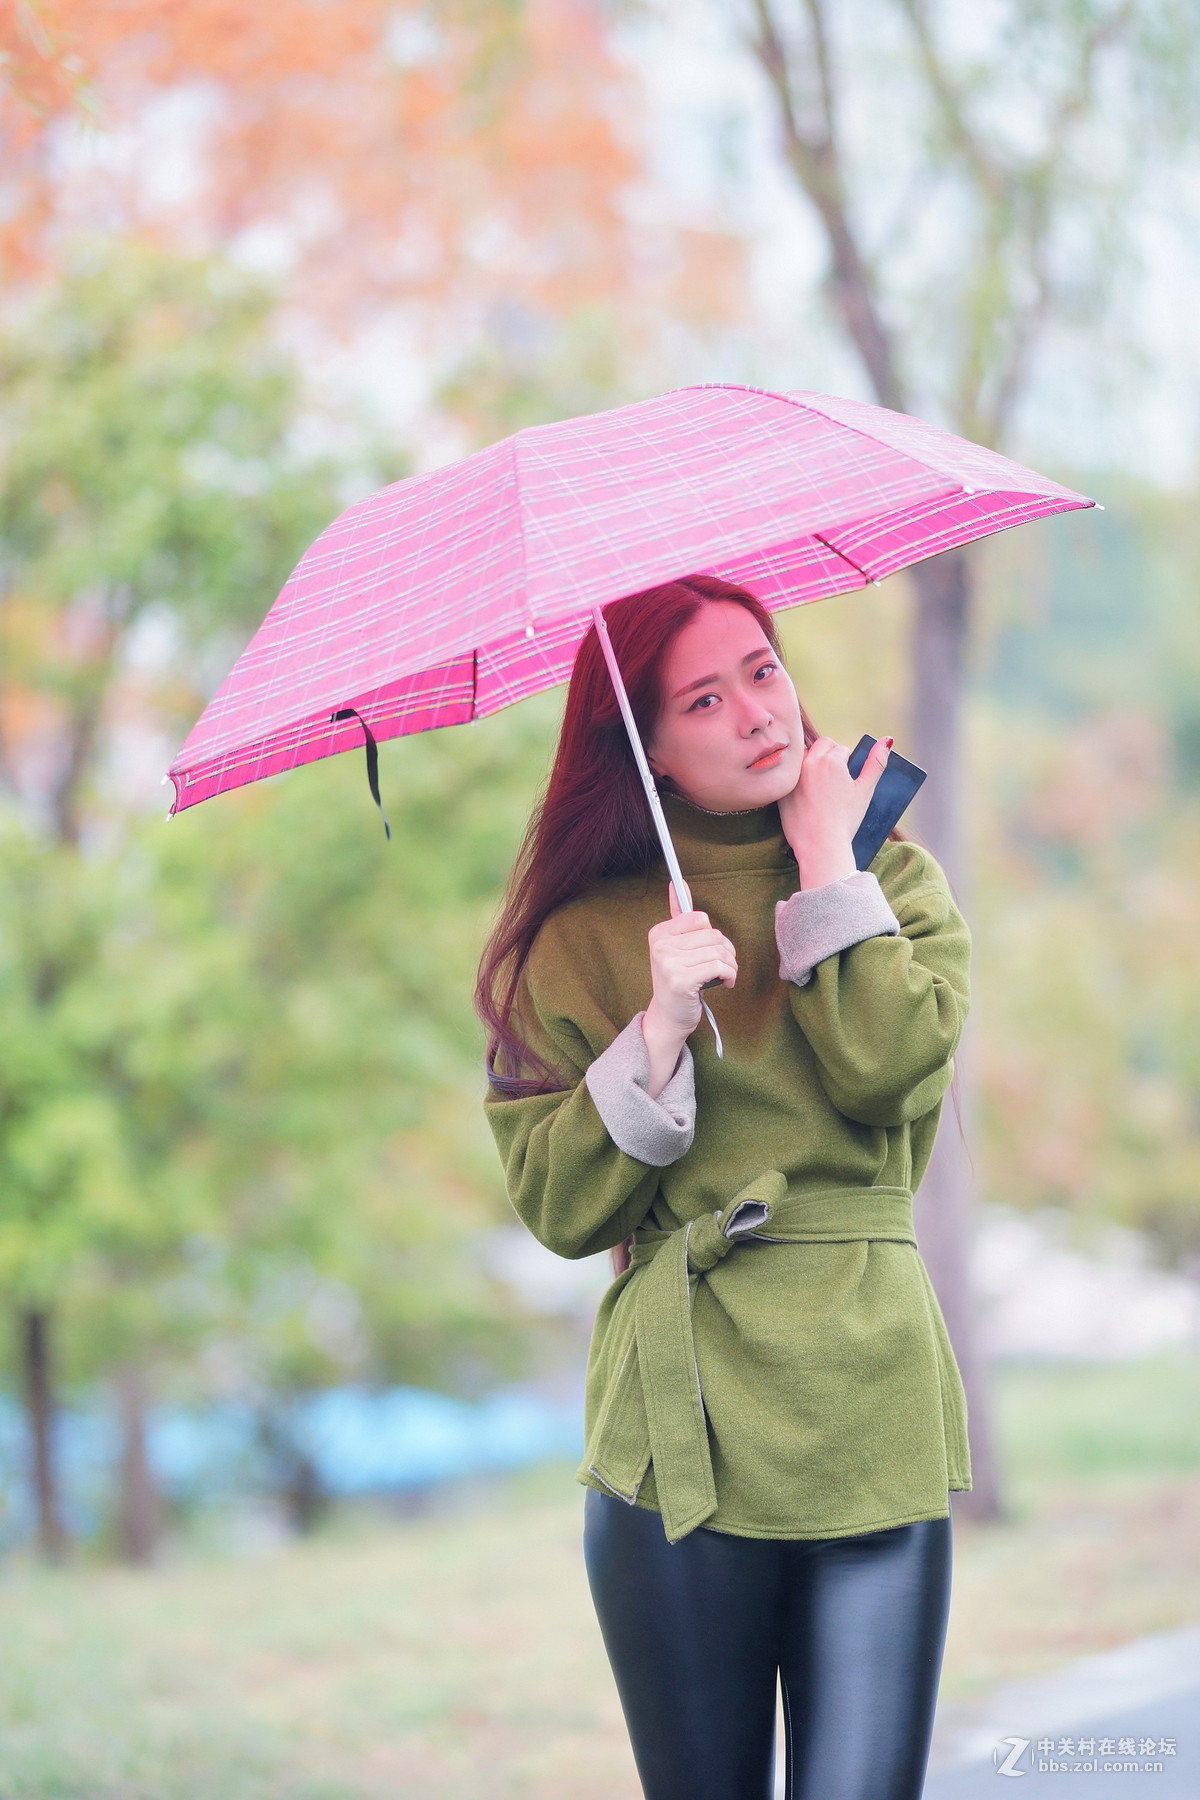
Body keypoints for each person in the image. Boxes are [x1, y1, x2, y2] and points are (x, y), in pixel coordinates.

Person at [476, 574, 972, 1800]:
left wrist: (821, 864)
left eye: (764, 669)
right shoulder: (577, 941)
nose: (758, 713)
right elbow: (559, 1209)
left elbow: (888, 1074)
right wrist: (655, 1028)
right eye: (706, 696)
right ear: (647, 744)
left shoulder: (892, 883)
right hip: (677, 1433)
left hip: (868, 1405)